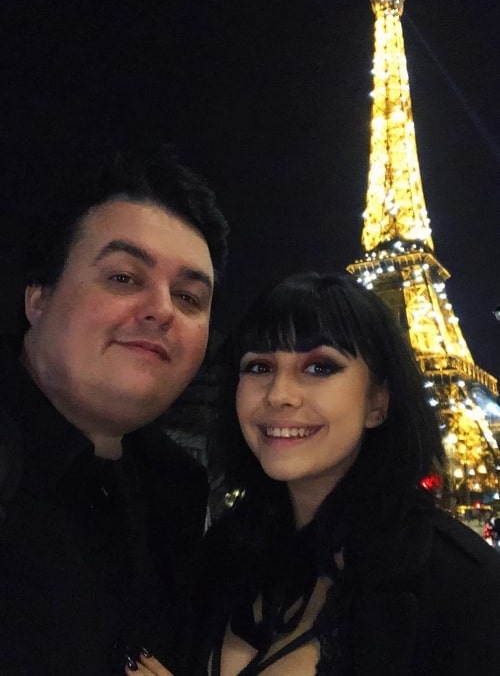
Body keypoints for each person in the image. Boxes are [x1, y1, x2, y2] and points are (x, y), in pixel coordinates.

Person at [126, 271, 500, 676]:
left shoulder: (466, 589)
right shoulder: (217, 556)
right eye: (258, 367)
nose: (279, 395)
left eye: (320, 367)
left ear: (378, 401)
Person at [0, 143, 229, 675]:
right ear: (38, 297)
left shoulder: (177, 492)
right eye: (124, 278)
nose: (162, 310)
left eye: (190, 297)